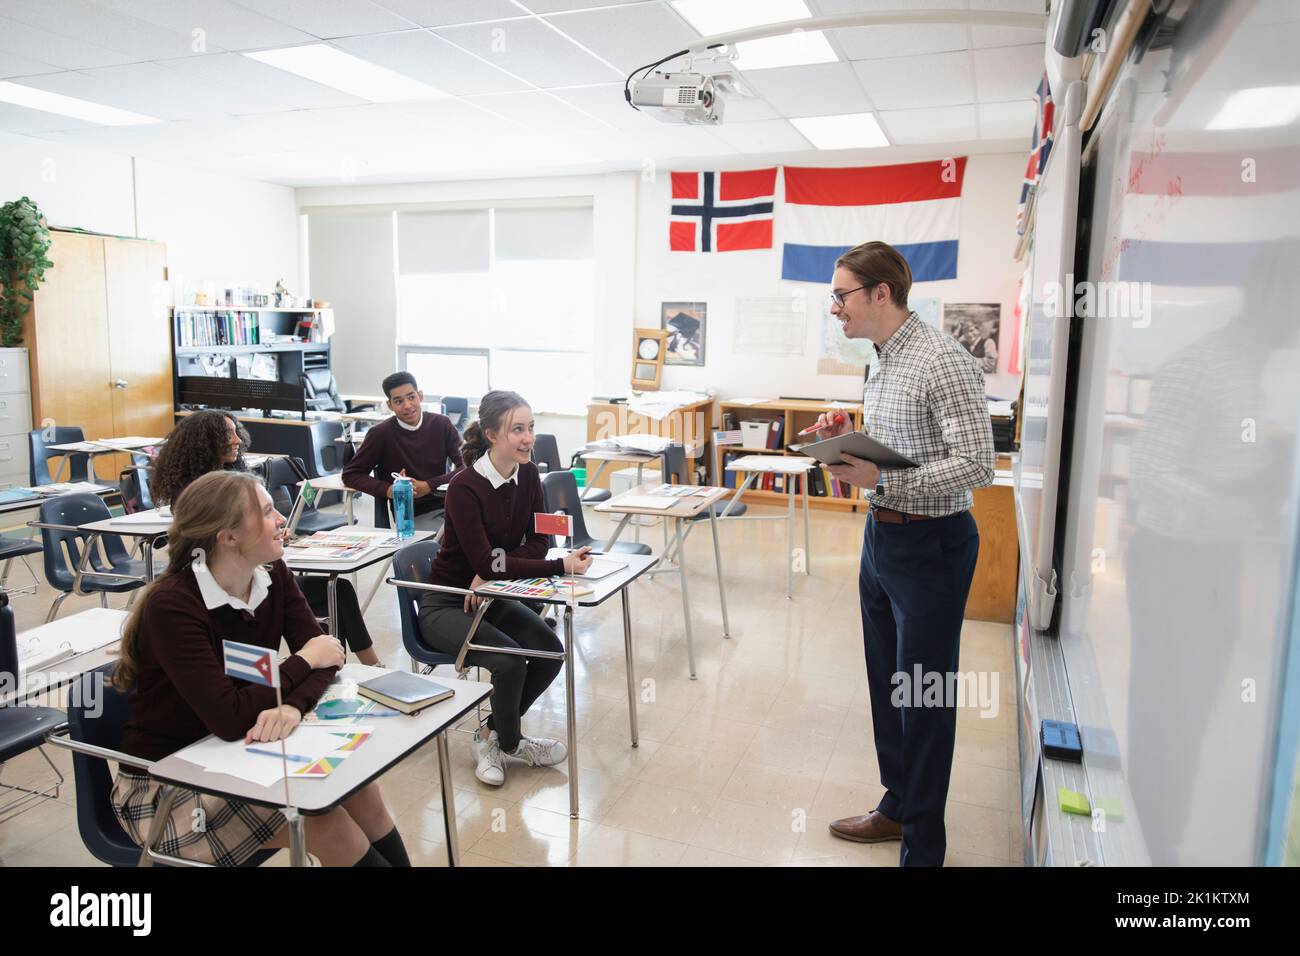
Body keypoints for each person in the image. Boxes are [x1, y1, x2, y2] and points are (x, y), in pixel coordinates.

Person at [110, 471, 408, 866]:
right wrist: (303, 662)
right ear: (229, 537)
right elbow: (230, 715)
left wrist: (291, 706)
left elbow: (328, 658)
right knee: (327, 824)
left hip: (239, 751)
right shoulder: (174, 605)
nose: (282, 519)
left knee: (360, 790)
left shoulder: (272, 572)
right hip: (169, 784)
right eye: (267, 512)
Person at [817, 241, 995, 867]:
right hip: (882, 540)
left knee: (922, 695)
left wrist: (884, 482)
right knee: (887, 686)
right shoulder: (884, 358)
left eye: (841, 294)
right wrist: (845, 438)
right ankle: (899, 806)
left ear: (880, 294)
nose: (834, 306)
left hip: (933, 547)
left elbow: (978, 465)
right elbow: (903, 446)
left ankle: (924, 848)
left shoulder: (943, 360)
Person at [416, 390, 592, 787]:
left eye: (531, 428)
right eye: (517, 430)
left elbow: (537, 540)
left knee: (548, 652)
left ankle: (491, 734)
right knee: (510, 661)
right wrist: (552, 566)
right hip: (447, 603)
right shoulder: (464, 486)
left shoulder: (529, 473)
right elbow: (487, 562)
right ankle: (510, 742)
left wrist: (496, 571)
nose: (528, 438)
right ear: (492, 434)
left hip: (490, 597)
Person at [150, 411, 383, 666]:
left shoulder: (275, 571)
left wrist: (267, 532)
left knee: (337, 591)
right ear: (205, 442)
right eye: (228, 434)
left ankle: (366, 666)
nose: (237, 440)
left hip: (251, 575)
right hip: (228, 585)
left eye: (236, 431)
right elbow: (230, 697)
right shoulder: (195, 500)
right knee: (334, 592)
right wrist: (307, 662)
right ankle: (368, 665)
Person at [342, 372, 463, 528]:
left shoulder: (441, 424)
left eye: (411, 397)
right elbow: (351, 474)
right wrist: (389, 490)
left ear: (420, 396)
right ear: (390, 405)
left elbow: (466, 465)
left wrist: (429, 485)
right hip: (415, 514)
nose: (407, 405)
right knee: (451, 542)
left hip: (452, 506)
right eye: (398, 401)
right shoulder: (380, 434)